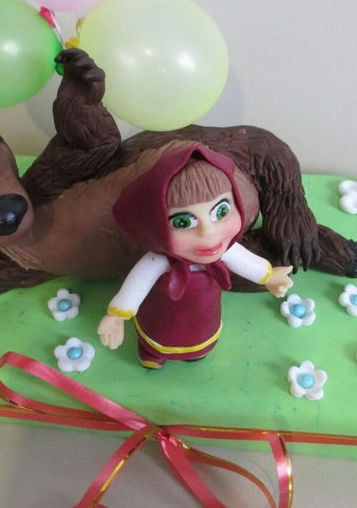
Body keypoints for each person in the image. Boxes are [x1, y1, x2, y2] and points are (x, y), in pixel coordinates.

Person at [97, 145, 293, 369]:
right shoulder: (157, 260)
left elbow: (246, 262)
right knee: (159, 332)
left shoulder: (225, 250)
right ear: (156, 225)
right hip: (163, 314)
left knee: (200, 332)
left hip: (203, 313)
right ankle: (153, 351)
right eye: (183, 222)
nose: (208, 233)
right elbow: (137, 284)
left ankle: (196, 348)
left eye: (221, 212)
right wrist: (118, 316)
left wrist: (269, 276)